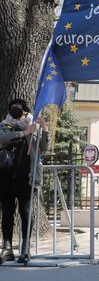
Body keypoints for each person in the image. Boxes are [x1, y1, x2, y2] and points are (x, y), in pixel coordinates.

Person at [0, 99, 49, 264]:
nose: (16, 113)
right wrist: (23, 133)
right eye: (13, 109)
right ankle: (6, 247)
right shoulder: (4, 125)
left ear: (26, 112)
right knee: (7, 211)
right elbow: (2, 139)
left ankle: (25, 247)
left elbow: (43, 147)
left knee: (26, 211)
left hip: (26, 176)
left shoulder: (33, 126)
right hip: (5, 175)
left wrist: (44, 128)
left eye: (20, 110)